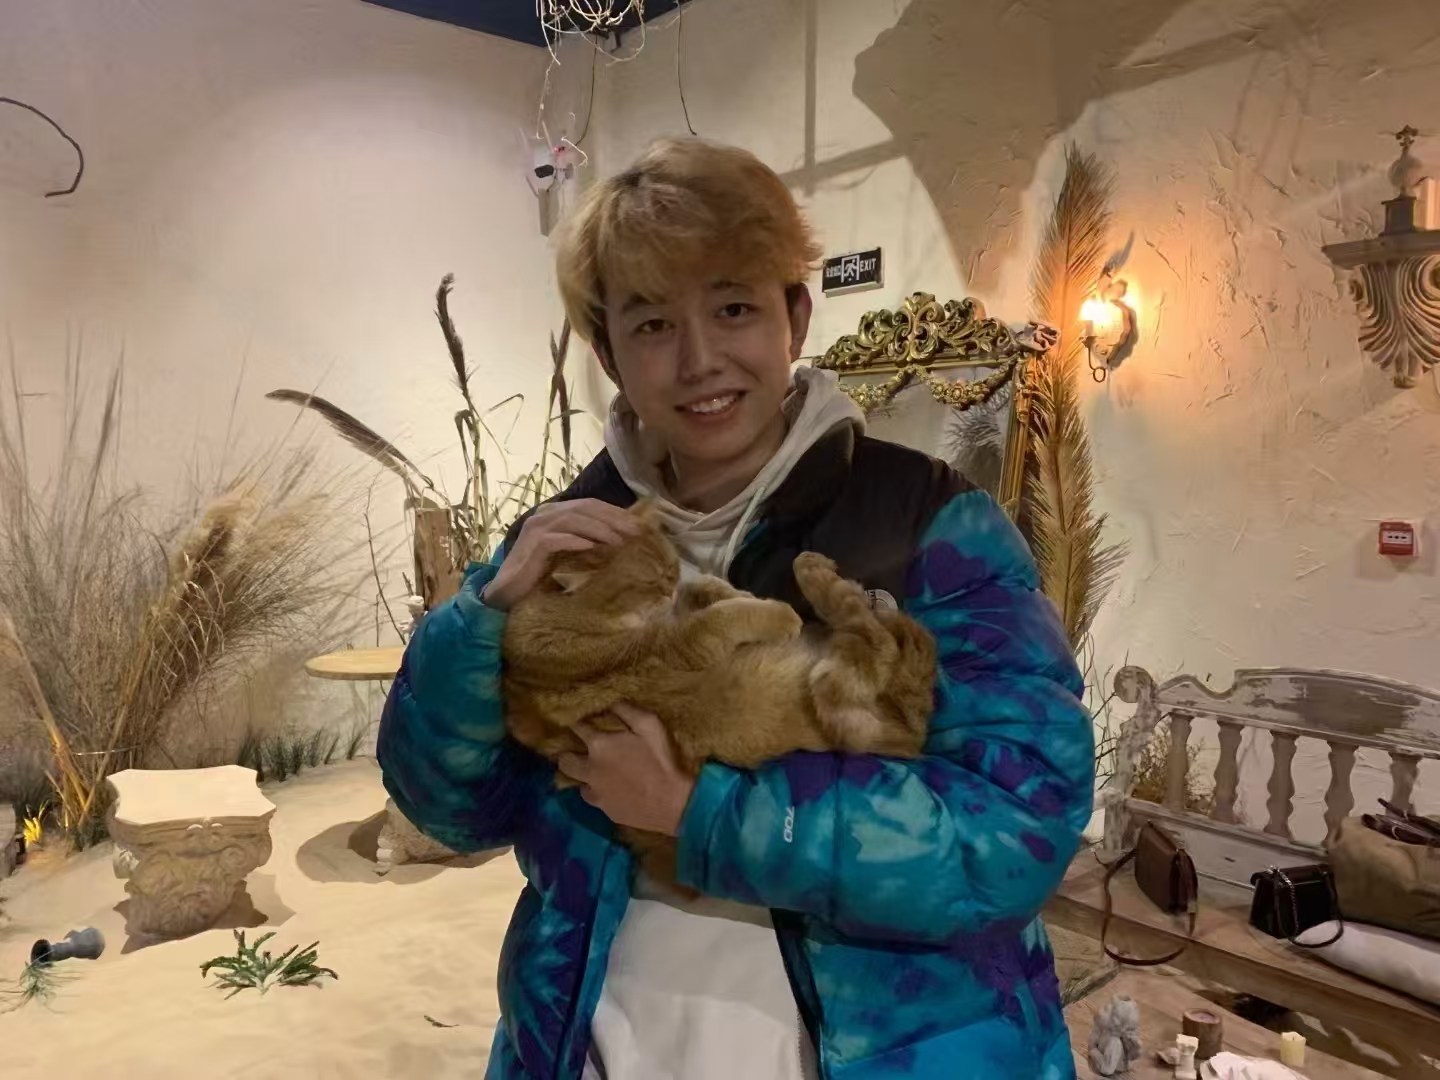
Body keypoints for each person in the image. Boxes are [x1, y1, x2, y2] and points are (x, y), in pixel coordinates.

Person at [377, 137, 1094, 1080]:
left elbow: (1015, 832)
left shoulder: (928, 523)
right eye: (652, 324)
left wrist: (704, 813)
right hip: (599, 1040)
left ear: (795, 315)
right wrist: (482, 618)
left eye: (733, 309)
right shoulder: (567, 543)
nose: (700, 359)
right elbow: (455, 809)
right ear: (608, 352)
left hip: (886, 1046)